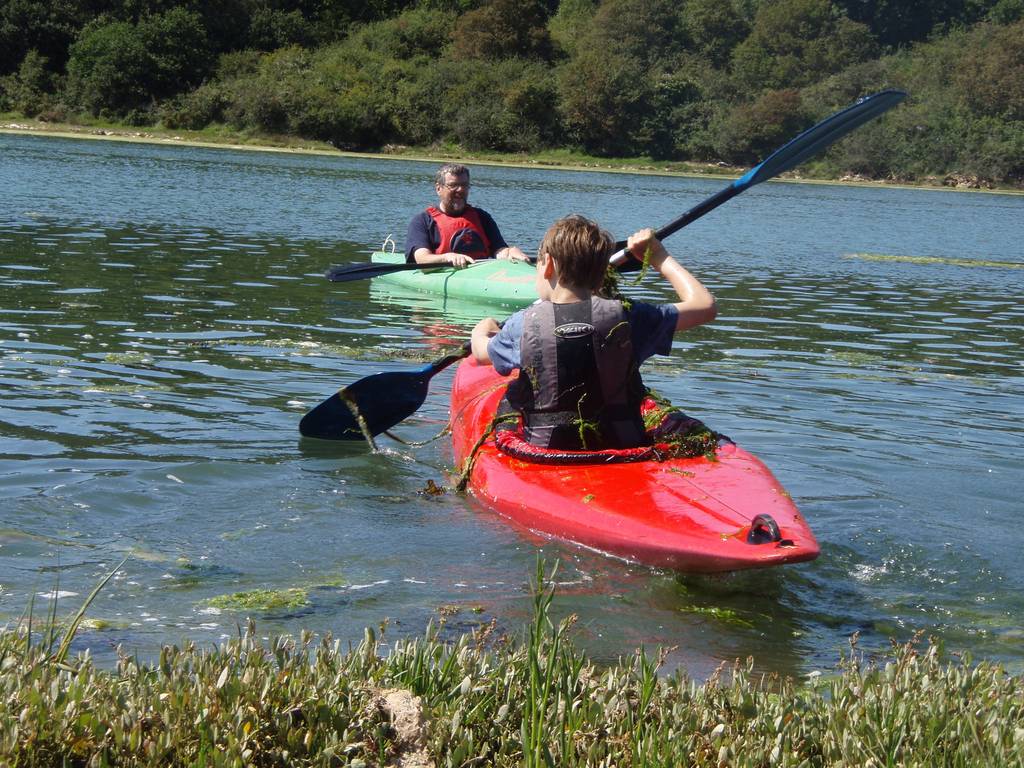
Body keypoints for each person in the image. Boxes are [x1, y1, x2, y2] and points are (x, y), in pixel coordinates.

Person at [470, 215, 717, 451]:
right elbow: (704, 305)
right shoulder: (631, 317)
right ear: (602, 276)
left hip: (545, 450)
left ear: (549, 265)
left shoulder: (520, 325)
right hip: (625, 448)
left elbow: (481, 354)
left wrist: (483, 327)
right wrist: (659, 256)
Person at [405, 163, 529, 267]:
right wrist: (448, 257)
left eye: (464, 185)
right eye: (453, 185)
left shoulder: (482, 217)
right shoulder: (422, 221)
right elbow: (422, 259)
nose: (460, 190)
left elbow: (498, 250)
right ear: (438, 189)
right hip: (442, 273)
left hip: (481, 275)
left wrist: (509, 252)